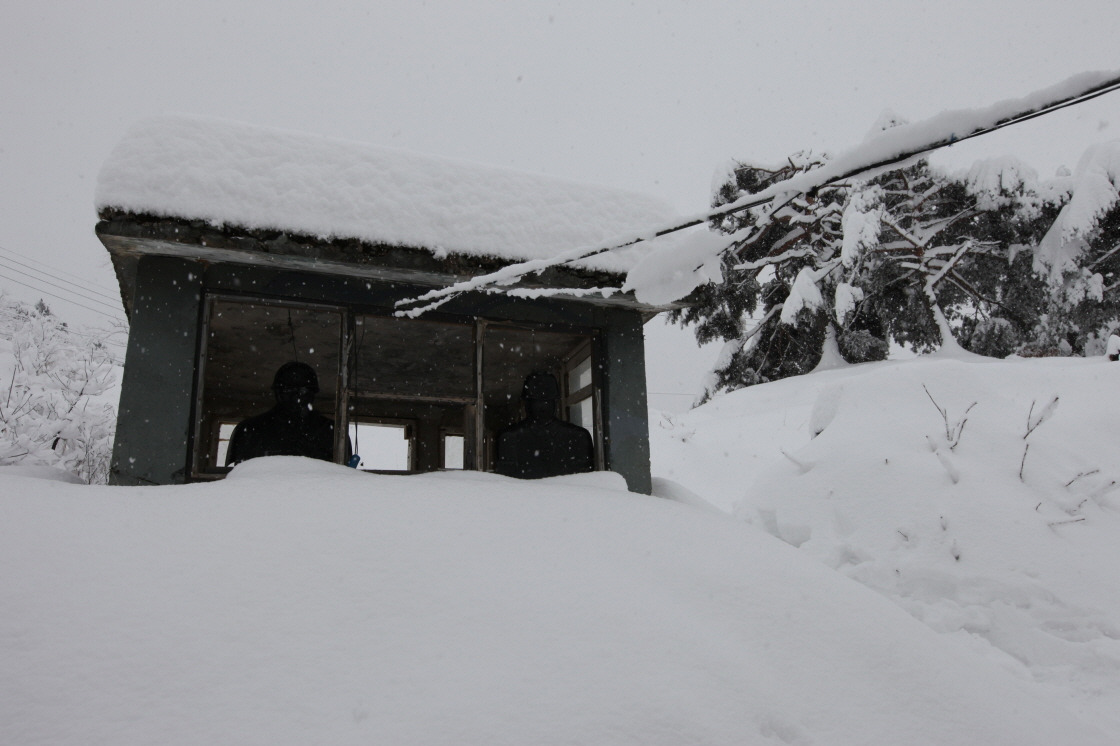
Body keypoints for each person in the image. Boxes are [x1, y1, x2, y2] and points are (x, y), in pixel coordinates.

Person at [226, 361, 350, 466]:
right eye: (289, 390)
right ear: (278, 393)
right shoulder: (249, 430)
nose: (296, 396)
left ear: (312, 394)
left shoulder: (334, 433)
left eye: (302, 391)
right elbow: (231, 475)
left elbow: (344, 477)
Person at [495, 371, 595, 479]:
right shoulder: (578, 436)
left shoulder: (509, 437)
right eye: (538, 402)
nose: (542, 406)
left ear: (525, 403)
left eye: (545, 401)